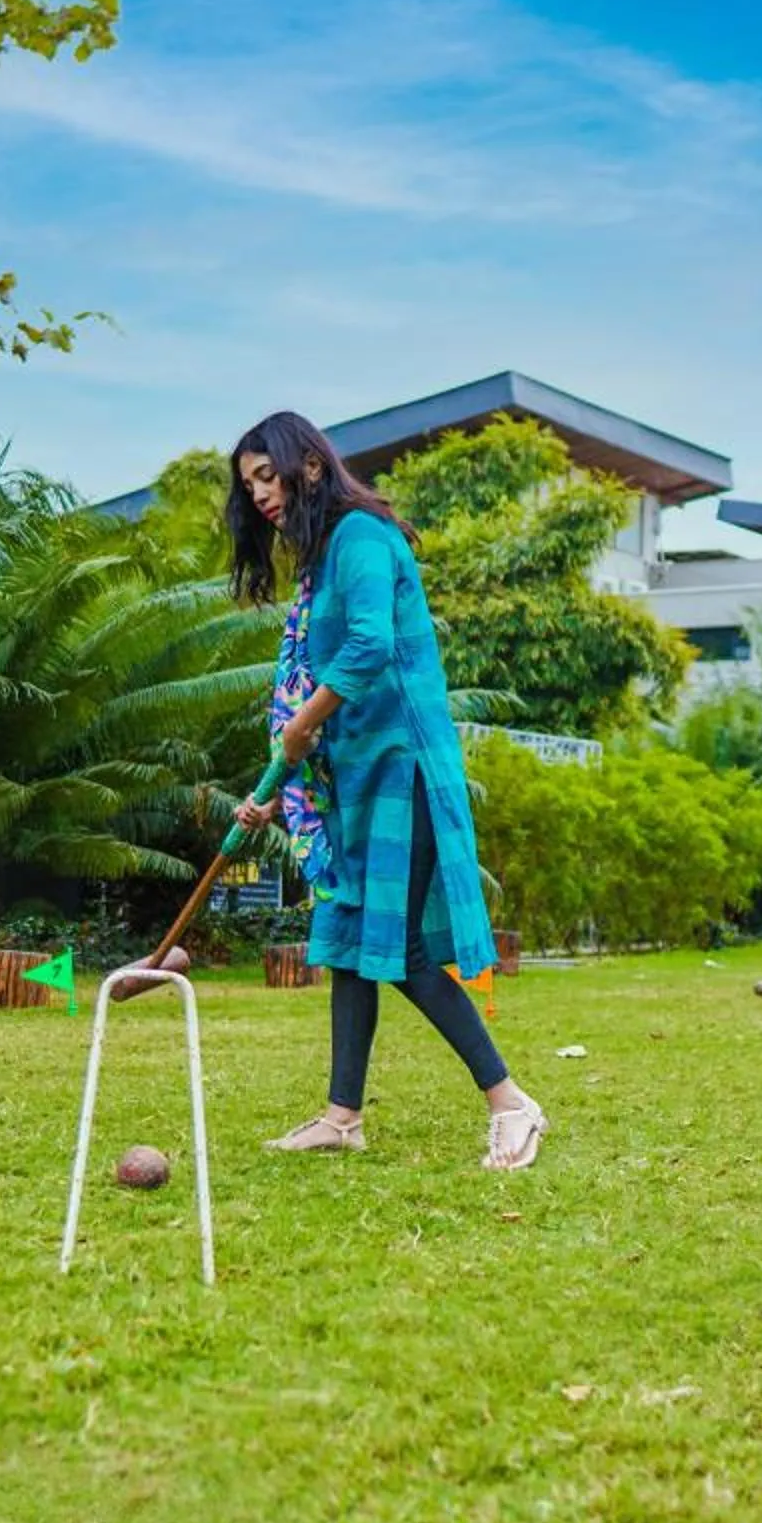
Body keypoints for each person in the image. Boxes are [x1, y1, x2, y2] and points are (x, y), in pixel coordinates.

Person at [226, 412, 548, 1171]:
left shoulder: (363, 539)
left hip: (402, 766)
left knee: (396, 948)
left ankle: (512, 1102)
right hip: (356, 780)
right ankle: (342, 1117)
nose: (261, 495)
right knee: (345, 941)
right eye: (249, 487)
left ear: (308, 464)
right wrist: (281, 784)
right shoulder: (318, 564)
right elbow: (306, 690)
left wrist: (300, 732)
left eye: (267, 475)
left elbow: (369, 646)